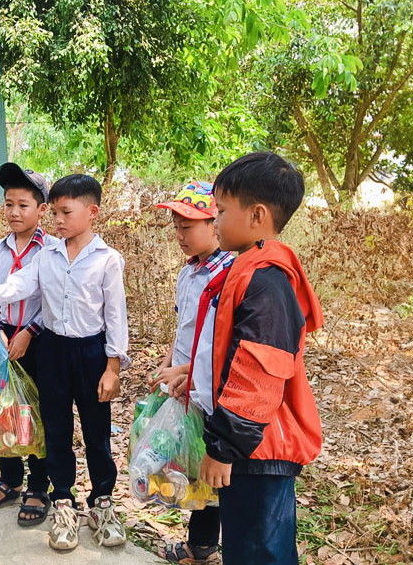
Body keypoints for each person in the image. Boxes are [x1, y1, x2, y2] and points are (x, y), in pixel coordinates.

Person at [0, 174, 130, 552]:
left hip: (91, 354)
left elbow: (116, 317)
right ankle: (64, 501)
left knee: (96, 434)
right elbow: (17, 287)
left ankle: (102, 502)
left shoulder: (107, 261)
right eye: (54, 212)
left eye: (66, 212)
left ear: (92, 212)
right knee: (54, 432)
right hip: (53, 352)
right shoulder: (47, 257)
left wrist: (113, 366)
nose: (58, 220)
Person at [200, 152, 324, 565]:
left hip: (259, 450)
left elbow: (258, 375)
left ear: (256, 215)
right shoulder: (251, 269)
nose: (214, 220)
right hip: (254, 446)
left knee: (258, 552)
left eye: (220, 210)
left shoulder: (266, 282)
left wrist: (223, 446)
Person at [146, 181, 232, 564]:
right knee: (193, 462)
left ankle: (206, 546)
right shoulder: (188, 273)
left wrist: (188, 372)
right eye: (176, 226)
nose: (180, 234)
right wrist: (169, 361)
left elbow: (222, 344)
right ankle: (198, 544)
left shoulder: (229, 275)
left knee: (213, 463)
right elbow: (185, 330)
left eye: (188, 226)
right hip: (183, 383)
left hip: (207, 387)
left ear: (215, 223)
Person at [0, 163, 58, 525]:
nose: (14, 212)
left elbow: (51, 300)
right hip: (2, 338)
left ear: (42, 210)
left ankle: (39, 486)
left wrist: (28, 332)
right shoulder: (0, 249)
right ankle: (9, 481)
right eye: (9, 204)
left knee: (38, 412)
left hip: (37, 340)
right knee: (3, 409)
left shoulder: (52, 250)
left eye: (23, 205)